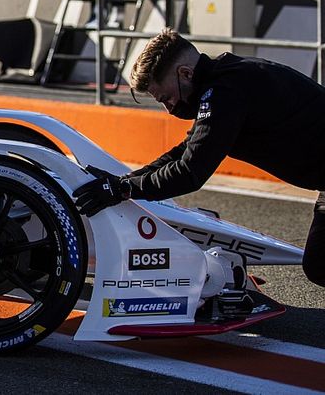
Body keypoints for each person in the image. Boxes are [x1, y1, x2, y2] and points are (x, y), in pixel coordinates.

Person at [73, 28, 324, 287]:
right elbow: (184, 151)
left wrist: (122, 189)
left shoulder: (226, 90)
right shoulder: (224, 80)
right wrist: (123, 181)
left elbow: (189, 172)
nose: (169, 109)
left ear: (185, 73)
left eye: (167, 98)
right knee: (319, 266)